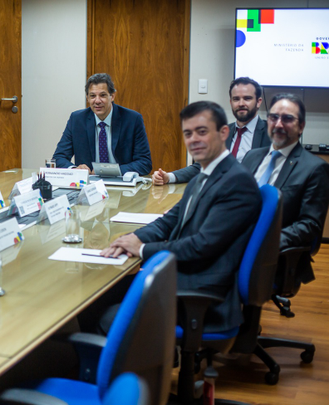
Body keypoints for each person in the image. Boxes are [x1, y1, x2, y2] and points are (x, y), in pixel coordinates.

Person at [101, 101, 262, 333]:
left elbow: (201, 246)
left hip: (203, 293)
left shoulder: (237, 181)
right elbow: (169, 222)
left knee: (106, 317)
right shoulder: (202, 176)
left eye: (202, 132)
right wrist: (129, 239)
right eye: (188, 133)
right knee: (101, 295)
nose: (193, 139)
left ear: (223, 133)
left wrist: (143, 249)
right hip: (185, 275)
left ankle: (121, 367)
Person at [242, 93, 329, 283]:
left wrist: (260, 242)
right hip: (233, 238)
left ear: (301, 126)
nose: (279, 124)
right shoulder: (252, 156)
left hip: (272, 254)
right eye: (274, 117)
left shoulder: (315, 168)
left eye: (288, 118)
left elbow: (310, 225)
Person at [153, 77, 271, 185]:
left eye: (247, 98)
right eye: (236, 99)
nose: (241, 104)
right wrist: (169, 177)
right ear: (231, 102)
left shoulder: (271, 133)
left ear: (259, 102)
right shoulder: (222, 132)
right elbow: (202, 166)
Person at [51, 73, 152, 175]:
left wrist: (109, 171)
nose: (97, 101)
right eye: (92, 96)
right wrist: (74, 170)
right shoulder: (77, 120)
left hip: (122, 184)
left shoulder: (132, 119)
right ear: (87, 98)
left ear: (112, 96)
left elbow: (144, 163)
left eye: (102, 95)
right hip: (89, 186)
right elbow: (58, 158)